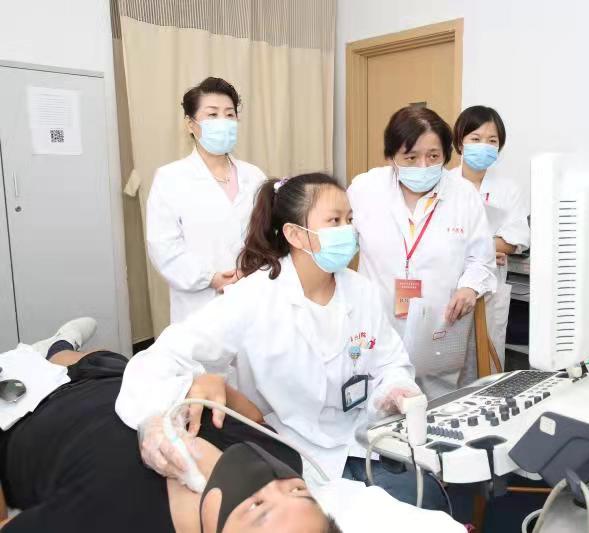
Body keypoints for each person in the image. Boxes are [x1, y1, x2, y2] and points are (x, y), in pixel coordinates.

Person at [117, 174, 447, 510]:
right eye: (334, 221)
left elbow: (390, 362)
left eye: (350, 219)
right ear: (294, 234)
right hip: (289, 453)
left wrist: (394, 389)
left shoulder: (360, 291)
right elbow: (162, 357)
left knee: (426, 497)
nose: (348, 231)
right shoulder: (255, 296)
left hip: (359, 439)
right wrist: (154, 420)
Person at [0, 332, 338, 533]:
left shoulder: (111, 520)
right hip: (120, 380)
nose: (271, 481)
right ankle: (58, 346)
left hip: (23, 410)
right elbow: (253, 417)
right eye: (297, 491)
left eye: (259, 508)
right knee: (97, 358)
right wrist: (212, 385)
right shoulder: (280, 456)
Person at [347, 106, 497, 398]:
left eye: (433, 156)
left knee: (438, 403)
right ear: (391, 156)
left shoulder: (463, 194)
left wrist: (470, 287)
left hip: (440, 323)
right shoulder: (365, 189)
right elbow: (342, 238)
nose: (423, 166)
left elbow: (481, 258)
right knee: (380, 400)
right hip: (378, 320)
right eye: (411, 157)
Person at [147, 77, 267, 324]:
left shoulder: (254, 176)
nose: (223, 121)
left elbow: (267, 234)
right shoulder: (170, 178)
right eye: (212, 115)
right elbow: (163, 246)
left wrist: (252, 271)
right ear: (191, 124)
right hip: (199, 304)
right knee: (206, 348)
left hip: (253, 293)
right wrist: (211, 278)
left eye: (229, 114)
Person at [449, 106, 530, 365]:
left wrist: (476, 248)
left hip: (491, 288)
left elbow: (516, 237)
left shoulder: (508, 189)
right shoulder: (443, 185)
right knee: (446, 361)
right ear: (459, 143)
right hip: (448, 285)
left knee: (488, 363)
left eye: (492, 141)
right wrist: (485, 249)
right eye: (475, 138)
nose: (484, 146)